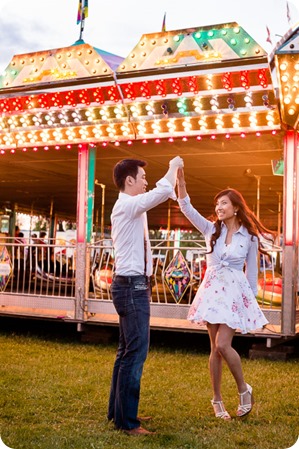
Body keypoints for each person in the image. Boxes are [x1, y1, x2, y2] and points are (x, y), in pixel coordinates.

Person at [176, 168, 274, 420]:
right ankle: (217, 400)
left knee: (223, 344)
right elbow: (186, 208)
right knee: (214, 348)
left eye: (224, 203)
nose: (219, 207)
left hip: (233, 294)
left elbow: (252, 275)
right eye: (217, 203)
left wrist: (249, 305)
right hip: (212, 292)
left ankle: (244, 389)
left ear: (236, 208)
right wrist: (181, 182)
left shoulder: (249, 237)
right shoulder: (211, 230)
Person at [108, 156, 183, 436]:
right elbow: (162, 191)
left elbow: (160, 192)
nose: (145, 181)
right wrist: (174, 167)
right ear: (130, 180)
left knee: (125, 353)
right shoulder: (128, 205)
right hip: (132, 287)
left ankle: (120, 413)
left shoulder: (129, 207)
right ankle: (127, 422)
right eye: (142, 177)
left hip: (130, 285)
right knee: (135, 354)